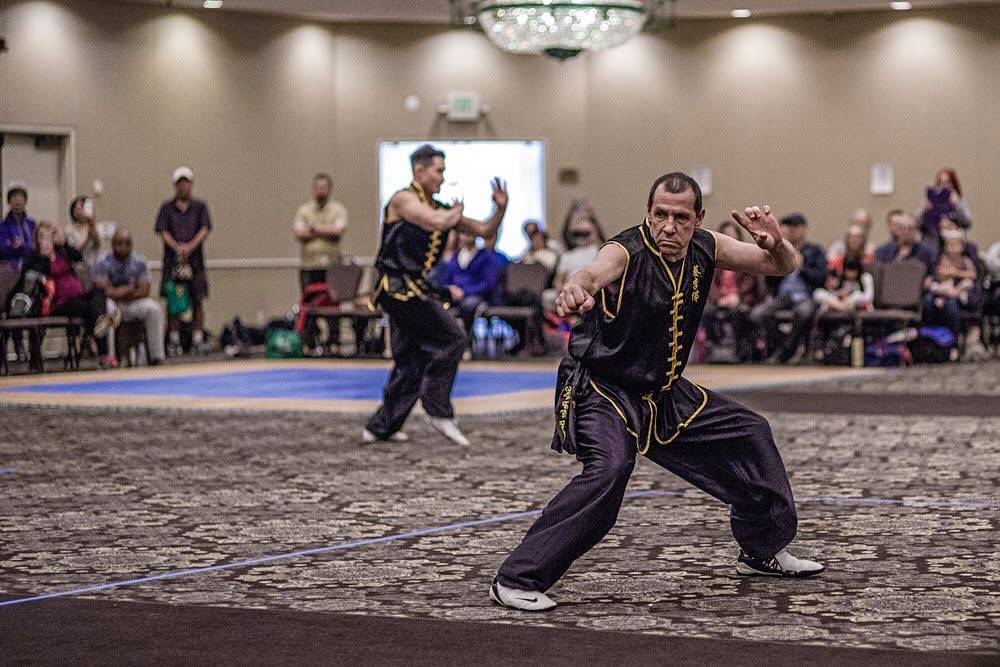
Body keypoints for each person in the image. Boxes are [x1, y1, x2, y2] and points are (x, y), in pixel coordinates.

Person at [490, 172, 823, 612]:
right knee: (609, 470)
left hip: (663, 392)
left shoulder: (708, 245)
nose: (669, 226)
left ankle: (761, 550)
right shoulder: (624, 251)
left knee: (751, 432)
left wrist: (774, 244)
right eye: (660, 214)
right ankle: (515, 579)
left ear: (698, 218)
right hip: (601, 388)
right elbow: (590, 273)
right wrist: (576, 288)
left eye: (681, 217)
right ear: (647, 214)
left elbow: (783, 265)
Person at [363, 144, 507, 446]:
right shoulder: (403, 200)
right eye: (438, 171)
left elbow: (483, 229)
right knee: (452, 337)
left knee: (411, 359)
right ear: (420, 170)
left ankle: (380, 427)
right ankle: (437, 408)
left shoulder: (441, 208)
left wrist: (500, 209)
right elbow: (434, 222)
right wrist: (455, 213)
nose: (442, 178)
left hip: (415, 286)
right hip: (397, 288)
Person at [19, 222, 116, 368]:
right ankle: (102, 352)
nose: (46, 240)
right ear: (36, 240)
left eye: (49, 236)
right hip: (56, 302)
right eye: (42, 236)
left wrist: (62, 242)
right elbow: (30, 277)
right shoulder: (35, 258)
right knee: (88, 309)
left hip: (78, 296)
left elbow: (78, 257)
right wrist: (44, 257)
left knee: (99, 294)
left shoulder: (62, 253)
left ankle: (100, 323)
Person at [748, 213, 827, 364]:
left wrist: (802, 268)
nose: (791, 231)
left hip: (806, 295)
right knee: (758, 314)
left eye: (795, 227)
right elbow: (769, 279)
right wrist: (779, 263)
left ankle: (784, 352)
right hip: (783, 296)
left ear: (804, 229)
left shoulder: (815, 251)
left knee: (803, 313)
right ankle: (786, 347)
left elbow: (821, 278)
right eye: (789, 227)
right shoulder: (781, 250)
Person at [155, 166, 212, 356]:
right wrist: (177, 246)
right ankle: (173, 340)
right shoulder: (166, 208)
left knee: (198, 300)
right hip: (173, 263)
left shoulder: (200, 207)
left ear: (191, 184)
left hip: (195, 263)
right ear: (175, 186)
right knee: (173, 303)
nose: (184, 187)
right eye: (180, 183)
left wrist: (190, 246)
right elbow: (162, 231)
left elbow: (205, 229)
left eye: (187, 183)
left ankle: (197, 339)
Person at [92, 229, 167, 365]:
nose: (123, 247)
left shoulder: (140, 261)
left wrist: (117, 291)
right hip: (113, 304)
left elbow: (144, 291)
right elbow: (102, 291)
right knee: (106, 307)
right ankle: (110, 358)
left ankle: (157, 356)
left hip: (133, 303)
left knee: (154, 308)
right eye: (119, 243)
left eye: (127, 243)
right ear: (113, 244)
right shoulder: (102, 262)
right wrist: (130, 288)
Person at [702, 220, 765, 362]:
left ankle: (737, 350)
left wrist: (737, 297)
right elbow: (711, 284)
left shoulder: (746, 258)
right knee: (704, 311)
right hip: (721, 300)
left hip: (741, 300)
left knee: (738, 312)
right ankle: (713, 348)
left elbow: (750, 283)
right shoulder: (715, 261)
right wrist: (719, 298)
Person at [440, 230, 501, 335]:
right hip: (454, 295)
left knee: (469, 305)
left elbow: (489, 283)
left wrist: (464, 292)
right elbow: (446, 279)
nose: (465, 237)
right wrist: (450, 290)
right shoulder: (455, 257)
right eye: (463, 233)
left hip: (477, 296)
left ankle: (466, 339)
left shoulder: (486, 257)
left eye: (468, 234)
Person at [294, 173, 348, 291]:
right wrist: (327, 230)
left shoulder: (338, 210)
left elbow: (337, 231)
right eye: (317, 187)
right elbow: (299, 233)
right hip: (309, 266)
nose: (320, 191)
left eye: (323, 187)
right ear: (313, 189)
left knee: (330, 304)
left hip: (331, 267)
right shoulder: (303, 210)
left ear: (329, 189)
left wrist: (313, 229)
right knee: (309, 304)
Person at [874, 210, 935, 276]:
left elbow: (931, 275)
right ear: (897, 230)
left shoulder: (925, 253)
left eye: (910, 229)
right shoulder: (883, 251)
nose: (906, 232)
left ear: (915, 231)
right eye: (902, 229)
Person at [1, 182, 37, 272]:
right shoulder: (3, 226)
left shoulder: (31, 224)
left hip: (32, 265)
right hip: (11, 268)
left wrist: (21, 246)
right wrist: (11, 246)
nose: (18, 201)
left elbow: (36, 247)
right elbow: (2, 248)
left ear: (25, 201)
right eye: (14, 197)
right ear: (9, 201)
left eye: (21, 197)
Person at [64, 196, 102, 267]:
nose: (84, 209)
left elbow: (99, 246)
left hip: (94, 267)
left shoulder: (97, 227)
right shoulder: (69, 229)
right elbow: (75, 251)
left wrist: (93, 226)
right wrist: (88, 237)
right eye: (81, 207)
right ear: (74, 212)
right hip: (77, 267)